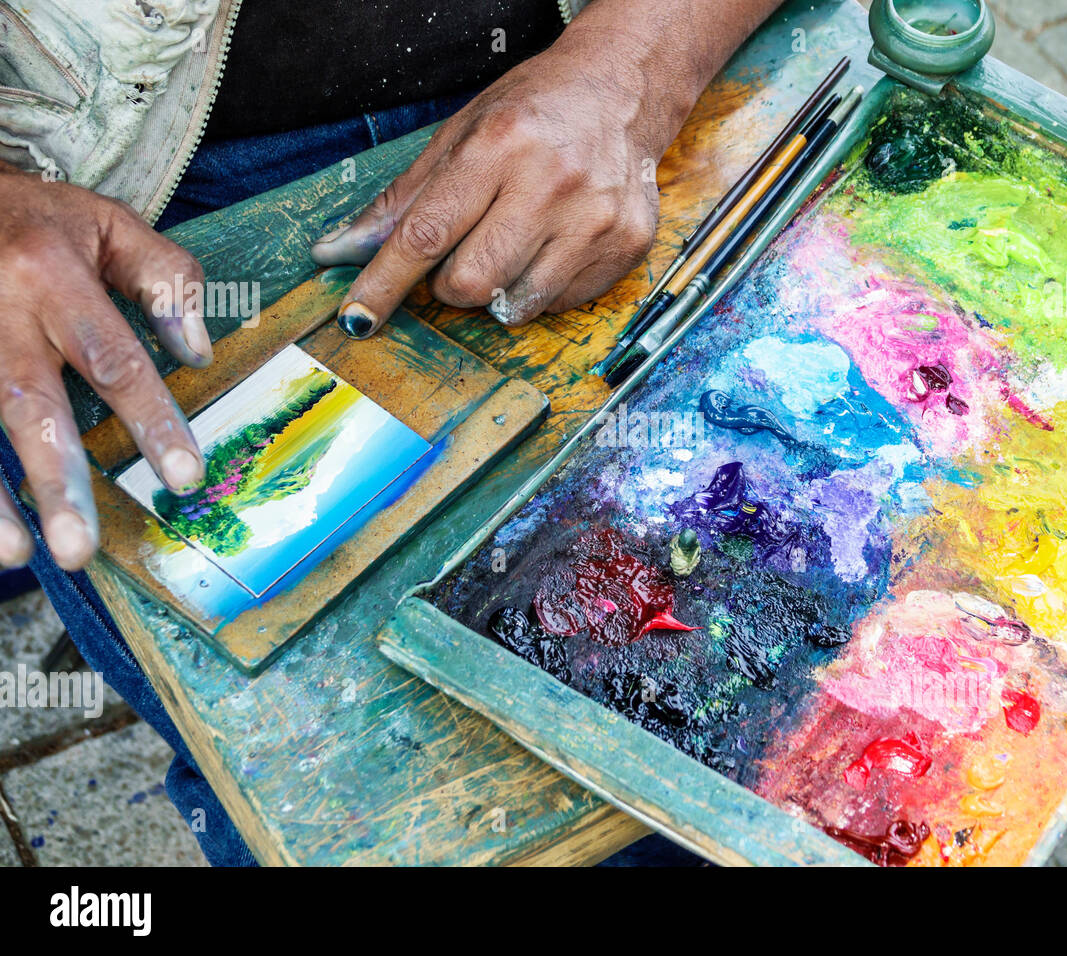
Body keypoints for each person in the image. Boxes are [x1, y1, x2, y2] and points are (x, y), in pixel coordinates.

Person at [0, 0, 783, 864]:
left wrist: (638, 60)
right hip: (126, 187)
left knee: (713, 714)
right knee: (354, 790)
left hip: (597, 65)